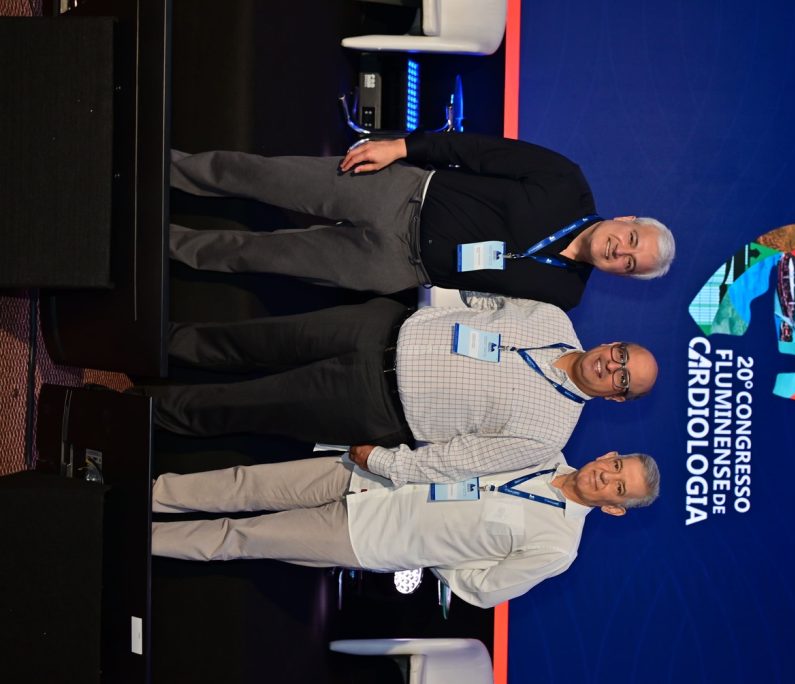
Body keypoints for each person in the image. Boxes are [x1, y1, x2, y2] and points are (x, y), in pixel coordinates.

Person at [142, 295, 658, 484]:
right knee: (243, 339)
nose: (611, 366)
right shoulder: (552, 318)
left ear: (617, 399)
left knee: (237, 406)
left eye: (623, 378)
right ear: (612, 342)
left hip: (370, 402)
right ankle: (137, 341)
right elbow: (477, 297)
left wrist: (388, 463)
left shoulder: (549, 436)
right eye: (620, 354)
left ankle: (127, 408)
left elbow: (460, 460)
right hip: (375, 327)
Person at [167, 132, 675, 311]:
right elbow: (479, 150)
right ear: (626, 218)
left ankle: (159, 244)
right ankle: (160, 167)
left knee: (256, 256)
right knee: (259, 176)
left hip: (395, 267)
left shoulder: (565, 295)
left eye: (631, 263)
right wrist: (401, 147)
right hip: (400, 194)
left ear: (622, 276)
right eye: (632, 238)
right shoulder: (566, 182)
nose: (621, 251)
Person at [151, 450, 660, 608]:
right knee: (245, 483)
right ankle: (145, 493)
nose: (607, 478)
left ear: (615, 510)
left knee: (238, 538)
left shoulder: (559, 546)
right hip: (373, 474)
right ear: (608, 455)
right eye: (617, 468)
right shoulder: (542, 450)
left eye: (619, 489)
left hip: (368, 538)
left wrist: (432, 548)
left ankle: (139, 538)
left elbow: (484, 591)